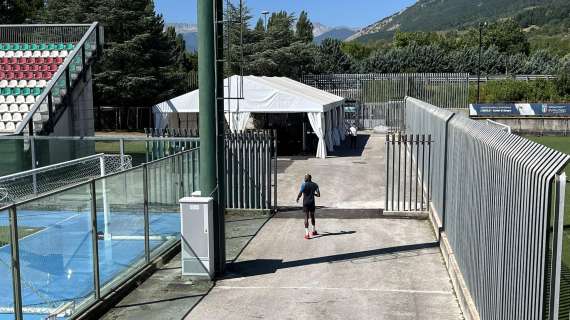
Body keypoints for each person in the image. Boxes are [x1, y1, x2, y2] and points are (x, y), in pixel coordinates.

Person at [296, 174, 320, 239]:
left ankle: (307, 234)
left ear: (308, 178)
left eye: (305, 178)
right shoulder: (315, 185)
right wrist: (313, 194)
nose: (304, 179)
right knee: (312, 216)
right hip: (312, 203)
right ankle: (314, 231)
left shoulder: (304, 184)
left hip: (305, 203)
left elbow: (300, 193)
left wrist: (298, 198)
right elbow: (318, 195)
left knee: (306, 217)